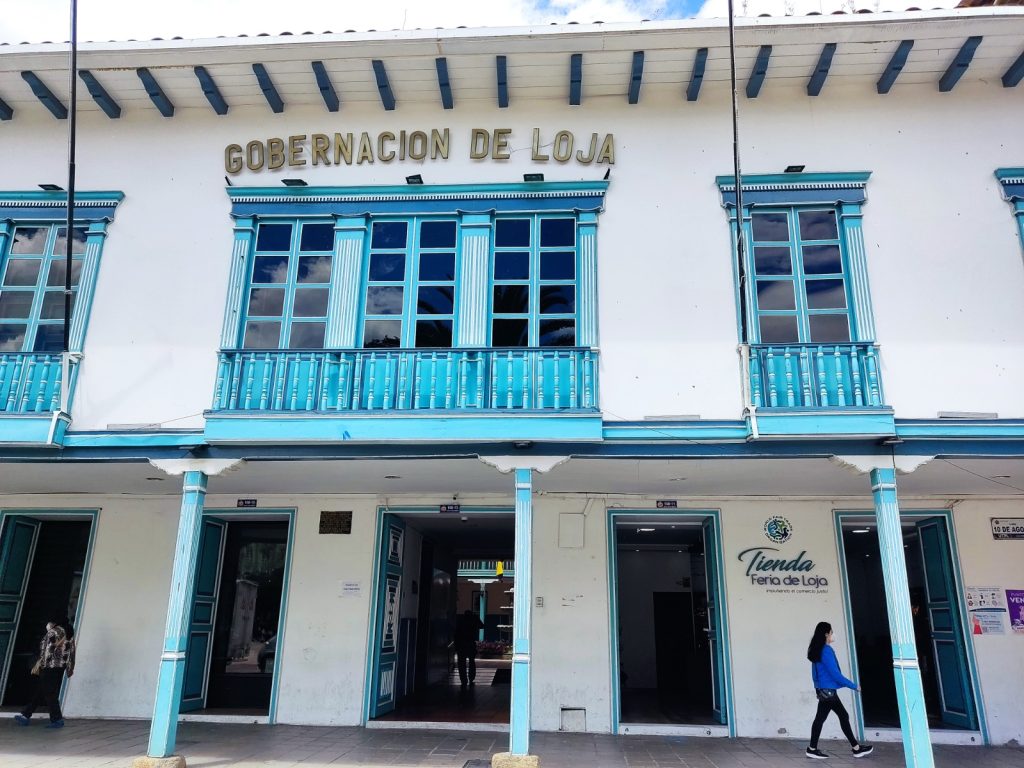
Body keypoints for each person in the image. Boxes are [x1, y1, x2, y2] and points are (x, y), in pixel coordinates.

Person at [806, 621, 873, 760]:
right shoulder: (826, 650)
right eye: (831, 632)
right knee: (826, 718)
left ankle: (855, 748)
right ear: (826, 634)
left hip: (824, 690)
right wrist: (853, 686)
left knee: (837, 716)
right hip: (829, 692)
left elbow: (815, 674)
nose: (833, 634)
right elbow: (835, 674)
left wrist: (817, 688)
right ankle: (813, 749)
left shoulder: (816, 649)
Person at [14, 616, 76, 729]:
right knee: (41, 690)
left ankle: (57, 719)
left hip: (50, 667)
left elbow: (47, 650)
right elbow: (72, 650)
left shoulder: (53, 632)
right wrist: (70, 667)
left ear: (53, 622)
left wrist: (42, 664)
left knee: (50, 693)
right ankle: (26, 715)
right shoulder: (69, 631)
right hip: (60, 667)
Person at [454, 609, 484, 687]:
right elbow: (482, 626)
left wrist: (456, 645)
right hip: (470, 643)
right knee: (471, 661)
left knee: (461, 663)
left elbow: (456, 632)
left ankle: (463, 680)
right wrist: (475, 618)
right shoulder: (474, 620)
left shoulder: (461, 620)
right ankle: (471, 678)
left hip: (461, 644)